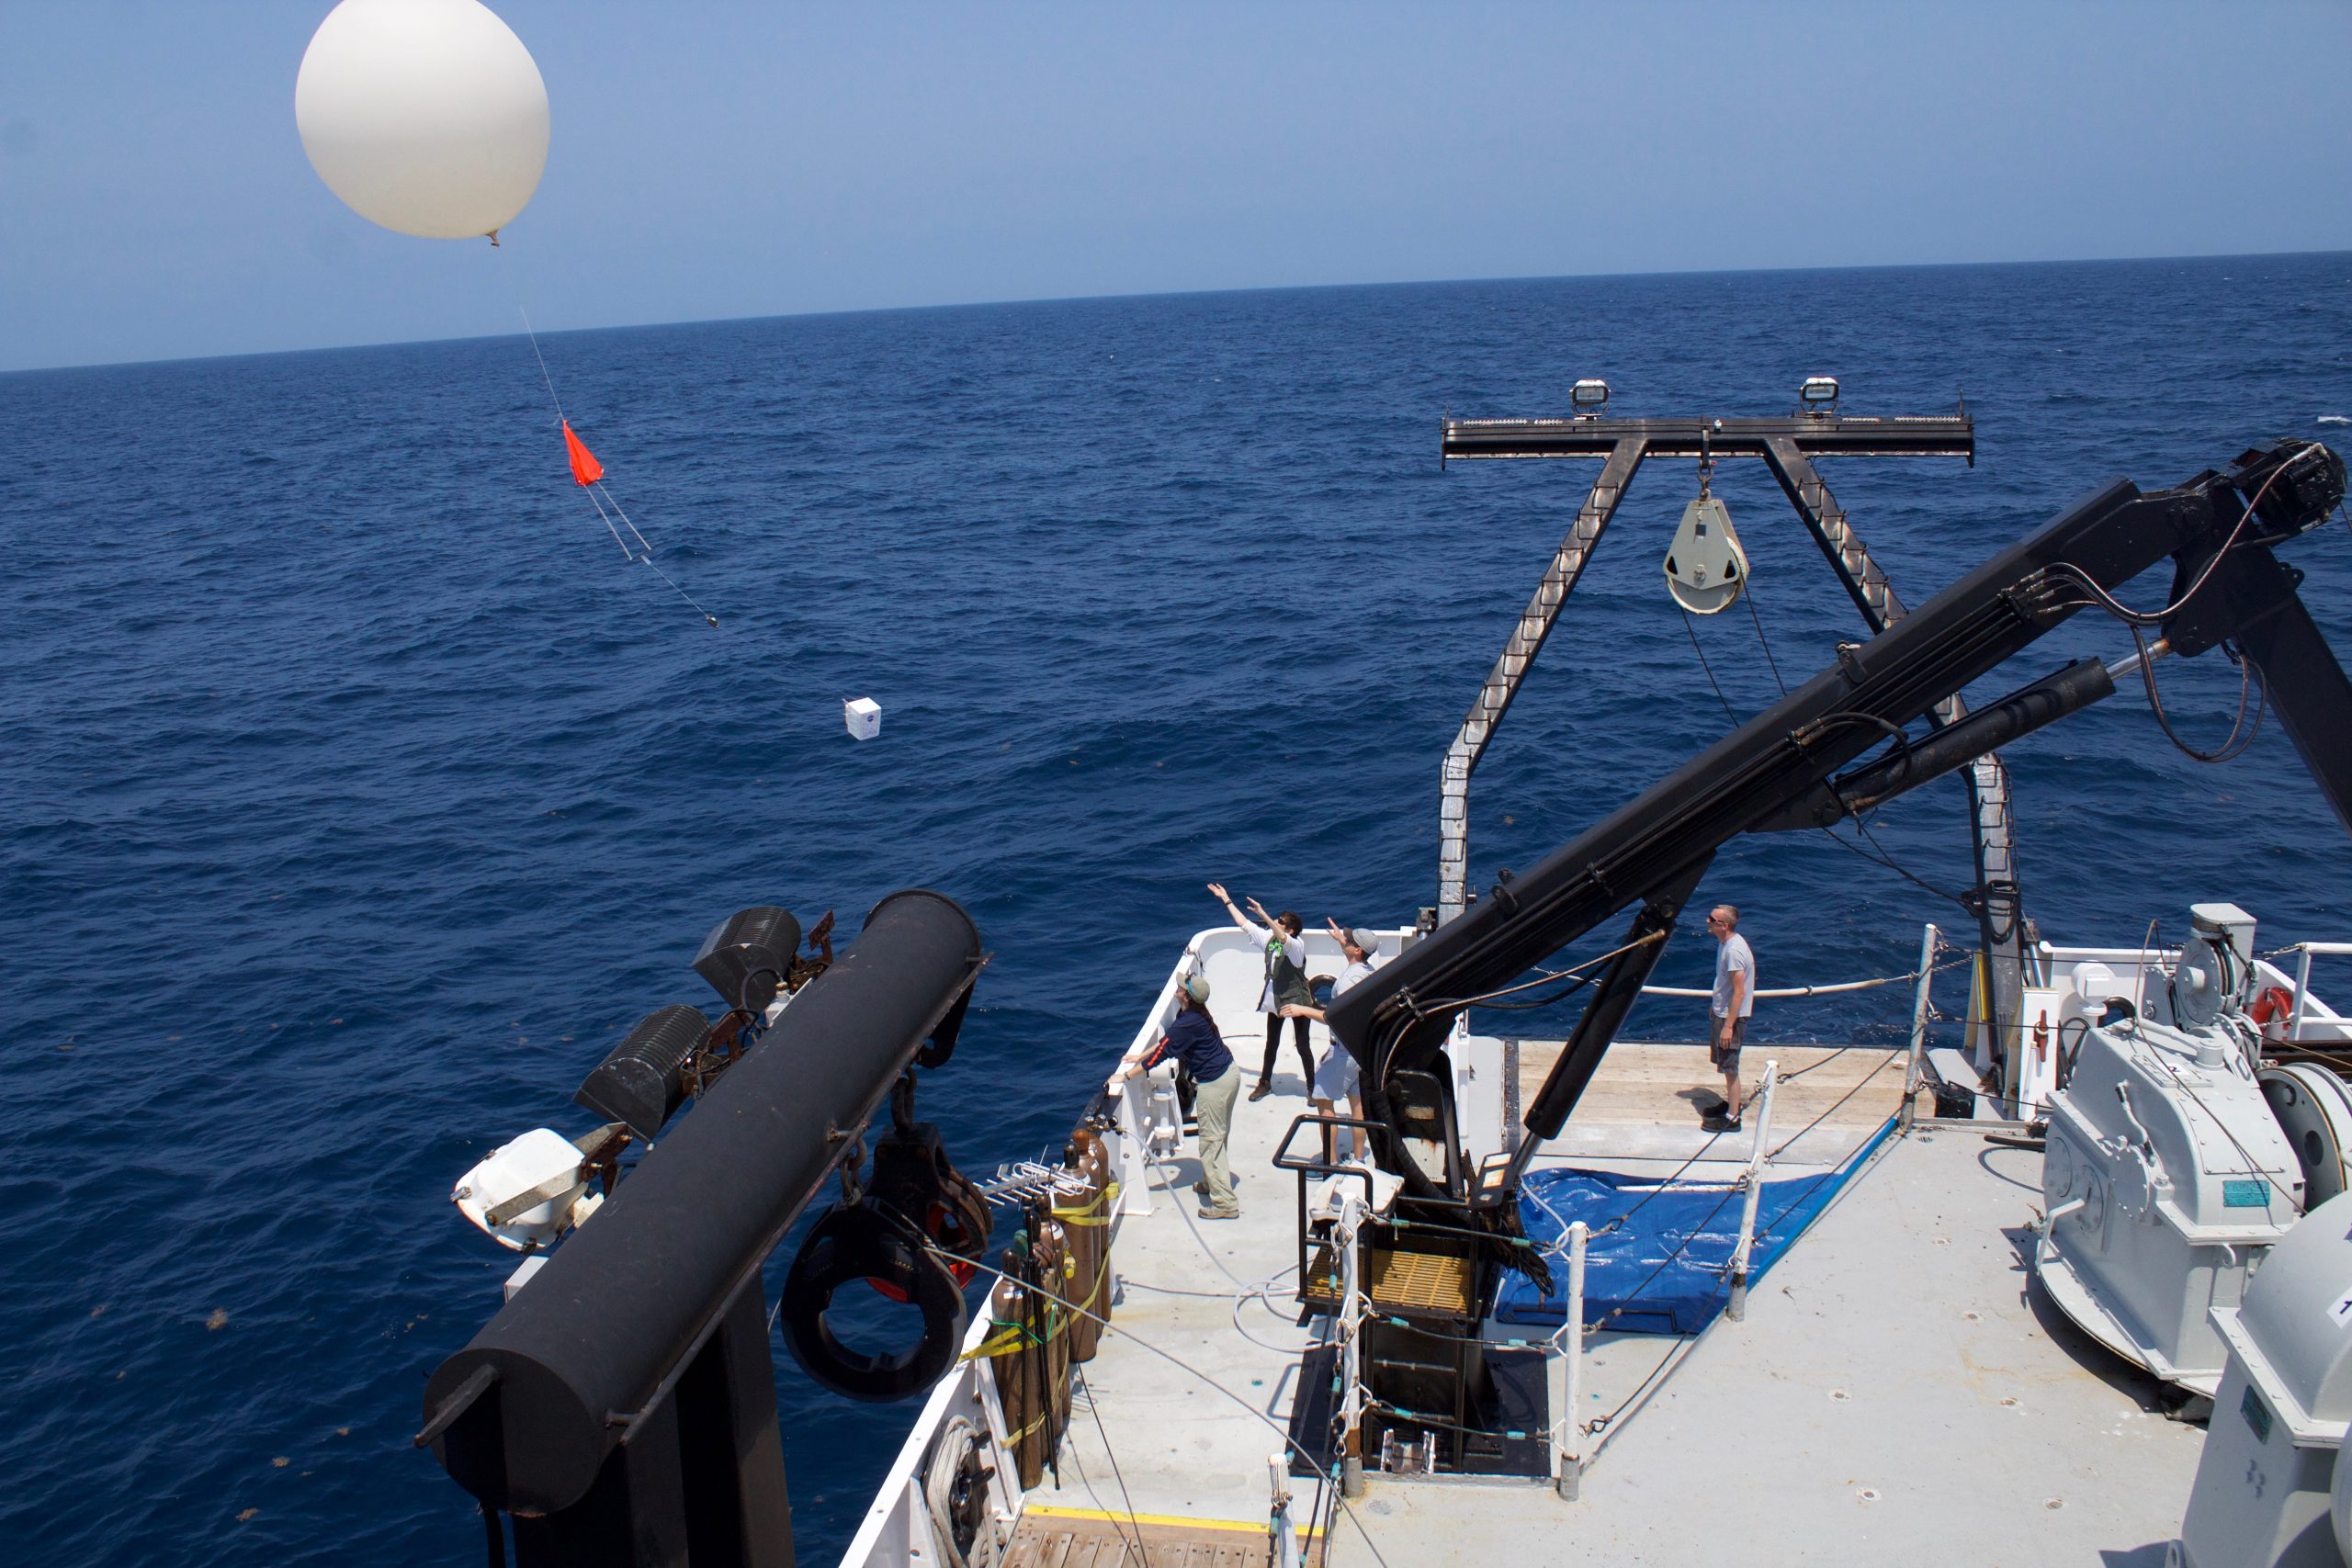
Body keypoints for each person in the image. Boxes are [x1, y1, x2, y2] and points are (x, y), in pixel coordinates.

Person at [1105, 973, 1240, 1218]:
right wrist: (1138, 1056)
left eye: (1181, 987)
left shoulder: (1189, 1021)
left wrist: (1125, 1076)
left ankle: (1225, 1204)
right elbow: (1168, 1041)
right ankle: (1213, 1183)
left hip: (1215, 1085)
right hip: (1229, 1075)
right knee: (1219, 1137)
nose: (1177, 988)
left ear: (1186, 997)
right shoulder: (1194, 1016)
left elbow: (1162, 1054)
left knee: (1211, 1144)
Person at [1281, 919, 1381, 1160]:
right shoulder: (1367, 972)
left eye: (1349, 941)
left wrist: (1301, 1010)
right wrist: (1341, 940)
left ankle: (1331, 1161)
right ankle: (1358, 1160)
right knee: (1358, 1107)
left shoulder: (1347, 982)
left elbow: (1334, 1018)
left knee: (1324, 1104)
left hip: (1342, 1053)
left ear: (1357, 950)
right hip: (1360, 1052)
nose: (1344, 940)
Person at [1207, 882, 1314, 1101]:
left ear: (1291, 929)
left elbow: (1284, 939)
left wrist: (1263, 913)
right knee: (1271, 1044)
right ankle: (1264, 1083)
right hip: (1277, 1001)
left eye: (1281, 922)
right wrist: (1226, 899)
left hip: (1299, 1001)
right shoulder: (1269, 940)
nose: (1276, 922)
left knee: (1303, 1046)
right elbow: (1243, 923)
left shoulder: (1296, 945)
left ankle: (1313, 1089)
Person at [1705, 903, 1756, 1132]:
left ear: (1723, 925)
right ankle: (1730, 1104)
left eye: (1712, 919)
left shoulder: (1734, 951)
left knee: (1730, 1067)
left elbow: (1739, 991)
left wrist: (1728, 1026)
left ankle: (1733, 1117)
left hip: (1730, 1018)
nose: (1708, 921)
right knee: (1725, 1065)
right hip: (1722, 1012)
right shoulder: (1726, 943)